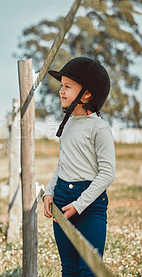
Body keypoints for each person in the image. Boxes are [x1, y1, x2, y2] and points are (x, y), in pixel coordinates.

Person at [42, 57, 115, 276]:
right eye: (61, 86)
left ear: (86, 94)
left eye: (67, 86)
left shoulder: (99, 129)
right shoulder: (68, 124)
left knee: (89, 269)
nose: (61, 91)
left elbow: (107, 174)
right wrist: (49, 192)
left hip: (90, 204)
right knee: (69, 268)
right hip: (63, 197)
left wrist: (79, 205)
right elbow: (63, 163)